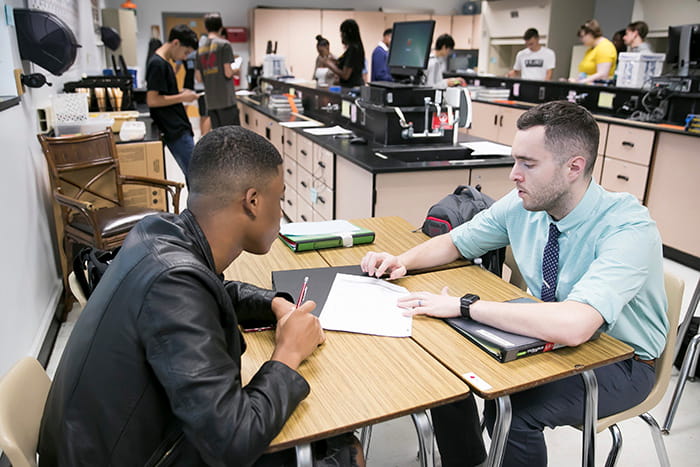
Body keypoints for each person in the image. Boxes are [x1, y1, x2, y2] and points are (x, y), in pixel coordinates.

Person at [360, 100, 668, 467]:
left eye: (528, 164)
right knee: (446, 362)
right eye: (515, 160)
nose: (513, 174)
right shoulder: (525, 204)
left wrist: (465, 307)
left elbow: (575, 326)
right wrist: (402, 261)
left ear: (574, 167)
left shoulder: (628, 227)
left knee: (516, 411)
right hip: (547, 333)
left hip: (622, 361)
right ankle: (469, 460)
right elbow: (456, 241)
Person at [38, 126, 364, 466]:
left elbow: (210, 289)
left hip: (109, 445)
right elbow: (232, 441)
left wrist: (273, 303)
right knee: (339, 450)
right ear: (252, 201)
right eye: (279, 198)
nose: (280, 212)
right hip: (136, 456)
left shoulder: (157, 231)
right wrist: (288, 353)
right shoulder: (174, 283)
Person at [146, 25, 199, 177]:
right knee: (196, 176)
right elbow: (153, 100)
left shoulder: (164, 62)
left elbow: (164, 94)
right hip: (174, 129)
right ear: (176, 43)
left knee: (195, 175)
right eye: (186, 52)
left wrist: (181, 93)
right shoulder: (157, 64)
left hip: (178, 126)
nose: (184, 57)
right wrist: (183, 97)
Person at [196, 13, 240, 129]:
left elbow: (199, 78)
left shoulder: (200, 49)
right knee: (232, 136)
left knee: (218, 136)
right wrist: (236, 70)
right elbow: (228, 72)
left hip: (211, 102)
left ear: (206, 27)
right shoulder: (224, 45)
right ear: (221, 27)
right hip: (226, 100)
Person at [322, 19, 365, 87]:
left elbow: (345, 75)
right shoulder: (357, 48)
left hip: (351, 88)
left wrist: (329, 64)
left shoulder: (353, 49)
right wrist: (335, 61)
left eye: (342, 33)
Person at [576, 19, 617, 84]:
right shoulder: (591, 49)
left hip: (600, 91)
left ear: (590, 34)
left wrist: (581, 82)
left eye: (582, 37)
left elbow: (602, 74)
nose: (581, 40)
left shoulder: (605, 47)